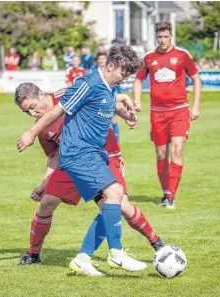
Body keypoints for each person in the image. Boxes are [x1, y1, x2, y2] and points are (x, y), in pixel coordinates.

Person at [17, 44, 144, 274]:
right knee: (114, 195)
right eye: (123, 74)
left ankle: (84, 259)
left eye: (128, 76)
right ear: (111, 65)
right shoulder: (88, 83)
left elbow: (104, 104)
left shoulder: (107, 87)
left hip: (93, 154)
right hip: (79, 154)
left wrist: (125, 112)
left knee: (111, 201)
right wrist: (32, 132)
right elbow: (57, 112)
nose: (124, 79)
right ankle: (116, 254)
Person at [133, 21, 202, 209]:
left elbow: (196, 79)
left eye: (166, 36)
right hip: (157, 113)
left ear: (171, 35)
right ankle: (165, 193)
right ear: (156, 36)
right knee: (161, 154)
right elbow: (138, 80)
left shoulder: (182, 55)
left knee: (177, 150)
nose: (163, 40)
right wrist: (137, 101)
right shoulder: (148, 57)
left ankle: (171, 196)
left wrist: (195, 106)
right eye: (160, 37)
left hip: (179, 110)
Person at [96, 52, 120, 142]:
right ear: (97, 60)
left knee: (113, 120)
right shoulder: (93, 72)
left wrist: (120, 97)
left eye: (103, 59)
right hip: (98, 102)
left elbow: (117, 87)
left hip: (109, 100)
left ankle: (116, 142)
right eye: (100, 59)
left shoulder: (111, 73)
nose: (102, 60)